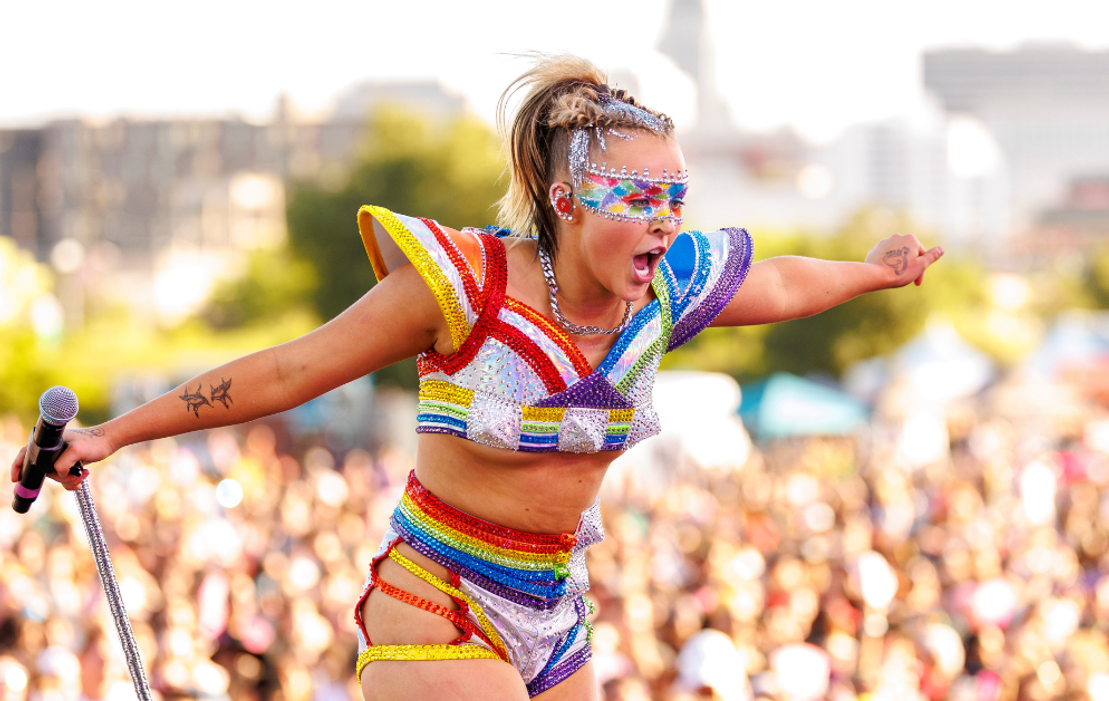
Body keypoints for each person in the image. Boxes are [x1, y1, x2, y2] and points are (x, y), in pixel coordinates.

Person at [9, 54, 944, 701]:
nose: (664, 222)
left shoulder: (666, 289)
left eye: (675, 198)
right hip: (439, 594)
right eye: (635, 198)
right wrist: (109, 434)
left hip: (557, 607)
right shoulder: (463, 286)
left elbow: (778, 281)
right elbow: (290, 370)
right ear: (565, 200)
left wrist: (873, 270)